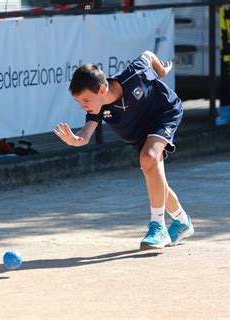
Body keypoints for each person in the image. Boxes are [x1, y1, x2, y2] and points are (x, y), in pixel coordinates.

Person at [53, 50, 194, 250]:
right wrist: (75, 140)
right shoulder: (97, 107)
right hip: (139, 134)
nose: (83, 106)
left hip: (164, 114)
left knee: (149, 158)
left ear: (102, 89)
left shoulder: (132, 75)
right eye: (79, 102)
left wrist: (161, 71)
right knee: (153, 172)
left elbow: (147, 55)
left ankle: (158, 227)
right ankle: (182, 221)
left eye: (85, 100)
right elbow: (84, 136)